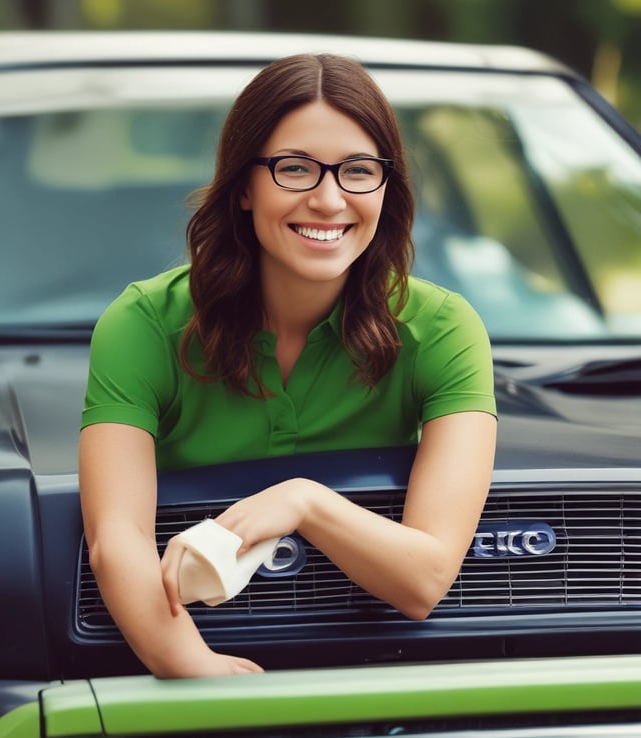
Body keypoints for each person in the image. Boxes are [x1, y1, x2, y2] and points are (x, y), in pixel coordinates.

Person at [79, 53, 497, 679]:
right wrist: (196, 670)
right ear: (244, 186)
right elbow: (117, 540)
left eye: (358, 171)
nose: (329, 200)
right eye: (295, 169)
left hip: (386, 670)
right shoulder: (142, 325)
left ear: (387, 186)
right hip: (176, 666)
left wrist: (306, 502)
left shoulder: (444, 330)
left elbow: (426, 579)